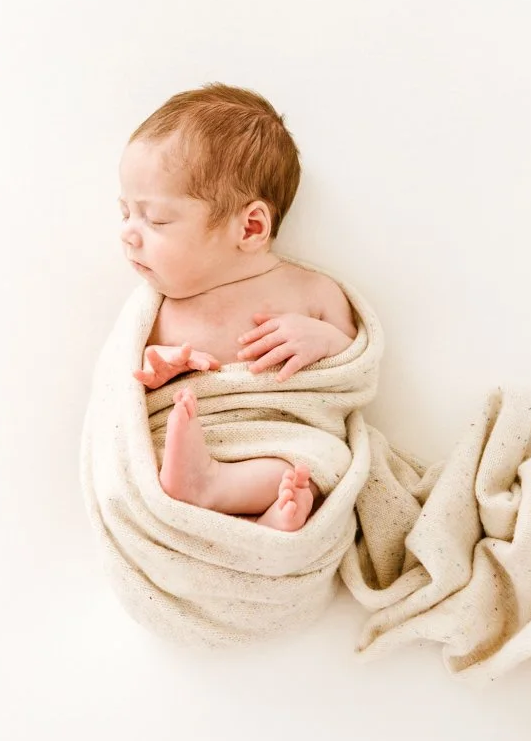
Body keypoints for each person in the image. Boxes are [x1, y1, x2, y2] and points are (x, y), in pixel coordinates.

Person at [117, 83, 357, 531]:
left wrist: (321, 339)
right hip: (195, 444)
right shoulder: (157, 311)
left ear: (250, 227)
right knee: (155, 455)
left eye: (155, 219)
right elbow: (128, 390)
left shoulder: (313, 291)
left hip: (281, 439)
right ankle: (219, 496)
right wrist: (160, 368)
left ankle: (246, 507)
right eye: (125, 212)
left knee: (327, 462)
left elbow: (353, 369)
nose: (129, 233)